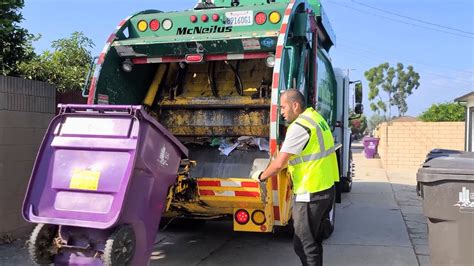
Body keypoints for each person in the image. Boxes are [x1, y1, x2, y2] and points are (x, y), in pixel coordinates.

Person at [251, 89, 339, 266]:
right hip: (326, 188)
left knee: (304, 245)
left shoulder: (299, 127)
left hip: (310, 193)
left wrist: (260, 176)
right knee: (313, 241)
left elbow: (278, 164)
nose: (281, 112)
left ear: (295, 105)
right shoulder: (316, 118)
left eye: (283, 107)